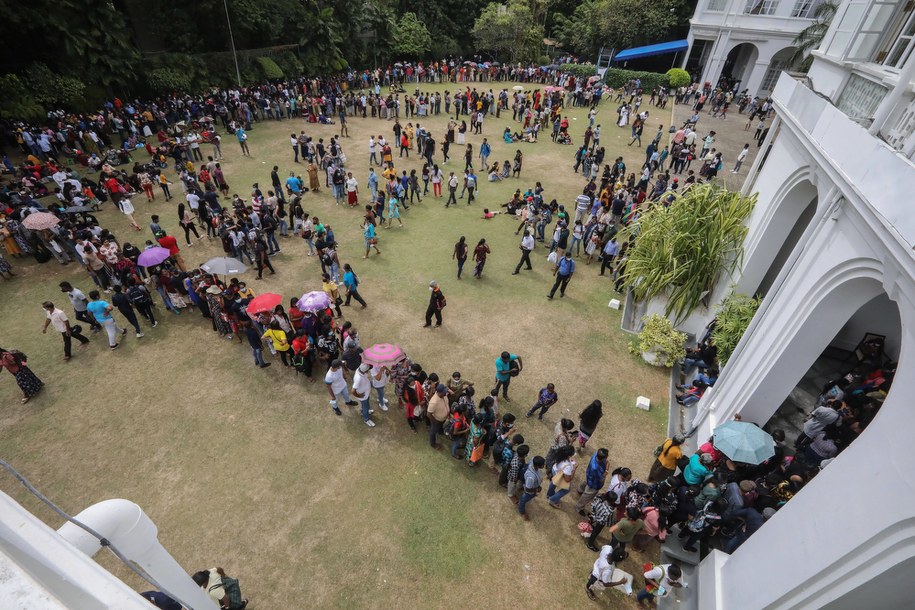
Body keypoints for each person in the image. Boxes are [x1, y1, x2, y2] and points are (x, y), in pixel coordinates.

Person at [576, 448, 609, 515]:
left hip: (589, 476)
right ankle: (579, 507)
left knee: (585, 483)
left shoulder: (596, 454)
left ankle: (580, 490)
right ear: (603, 458)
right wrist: (605, 473)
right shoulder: (596, 468)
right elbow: (602, 479)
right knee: (587, 495)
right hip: (594, 484)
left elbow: (607, 462)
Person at [518, 455, 545, 521]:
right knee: (522, 501)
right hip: (530, 492)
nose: (544, 465)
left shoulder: (533, 461)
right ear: (538, 466)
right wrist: (536, 489)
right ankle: (522, 512)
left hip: (534, 487)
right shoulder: (531, 477)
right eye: (543, 464)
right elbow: (528, 489)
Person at [351, 362, 377, 427]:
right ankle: (366, 419)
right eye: (368, 369)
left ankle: (365, 411)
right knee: (365, 406)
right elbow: (353, 391)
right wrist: (359, 395)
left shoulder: (359, 369)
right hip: (363, 396)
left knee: (366, 405)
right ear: (365, 371)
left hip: (366, 394)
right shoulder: (358, 378)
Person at [427, 383, 450, 449]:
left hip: (443, 419)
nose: (446, 393)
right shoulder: (434, 402)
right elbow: (428, 414)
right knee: (433, 432)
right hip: (437, 420)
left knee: (440, 426)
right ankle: (433, 443)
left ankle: (440, 432)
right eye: (444, 392)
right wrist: (435, 421)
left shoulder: (444, 395)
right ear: (439, 392)